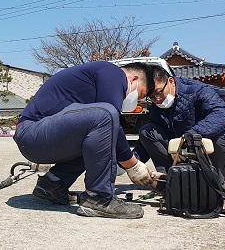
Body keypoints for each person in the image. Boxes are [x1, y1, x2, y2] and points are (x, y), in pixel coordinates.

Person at [13, 61, 155, 219]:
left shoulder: (98, 78)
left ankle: (53, 182)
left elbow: (106, 135)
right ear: (133, 79)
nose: (136, 100)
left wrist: (123, 160)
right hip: (33, 133)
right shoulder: (113, 72)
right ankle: (99, 198)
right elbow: (111, 119)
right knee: (106, 114)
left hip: (37, 137)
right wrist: (133, 165)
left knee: (95, 133)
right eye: (140, 95)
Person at [134, 65, 225, 178]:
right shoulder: (158, 105)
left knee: (219, 134)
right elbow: (147, 139)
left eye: (159, 93)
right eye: (151, 97)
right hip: (187, 155)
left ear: (170, 81)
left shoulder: (199, 91)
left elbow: (224, 114)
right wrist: (132, 162)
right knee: (147, 131)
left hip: (224, 156)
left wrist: (190, 136)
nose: (157, 99)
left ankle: (216, 180)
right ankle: (171, 179)